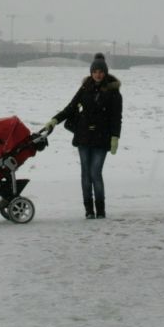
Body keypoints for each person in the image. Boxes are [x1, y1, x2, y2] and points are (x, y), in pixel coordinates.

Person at [44, 52, 123, 219]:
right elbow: (70, 107)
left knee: (95, 173)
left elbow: (116, 117)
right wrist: (54, 120)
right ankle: (88, 210)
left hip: (102, 138)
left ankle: (100, 210)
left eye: (100, 71)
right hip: (84, 138)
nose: (98, 75)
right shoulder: (85, 88)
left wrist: (115, 137)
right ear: (91, 72)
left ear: (105, 72)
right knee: (85, 174)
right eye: (94, 71)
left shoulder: (114, 92)